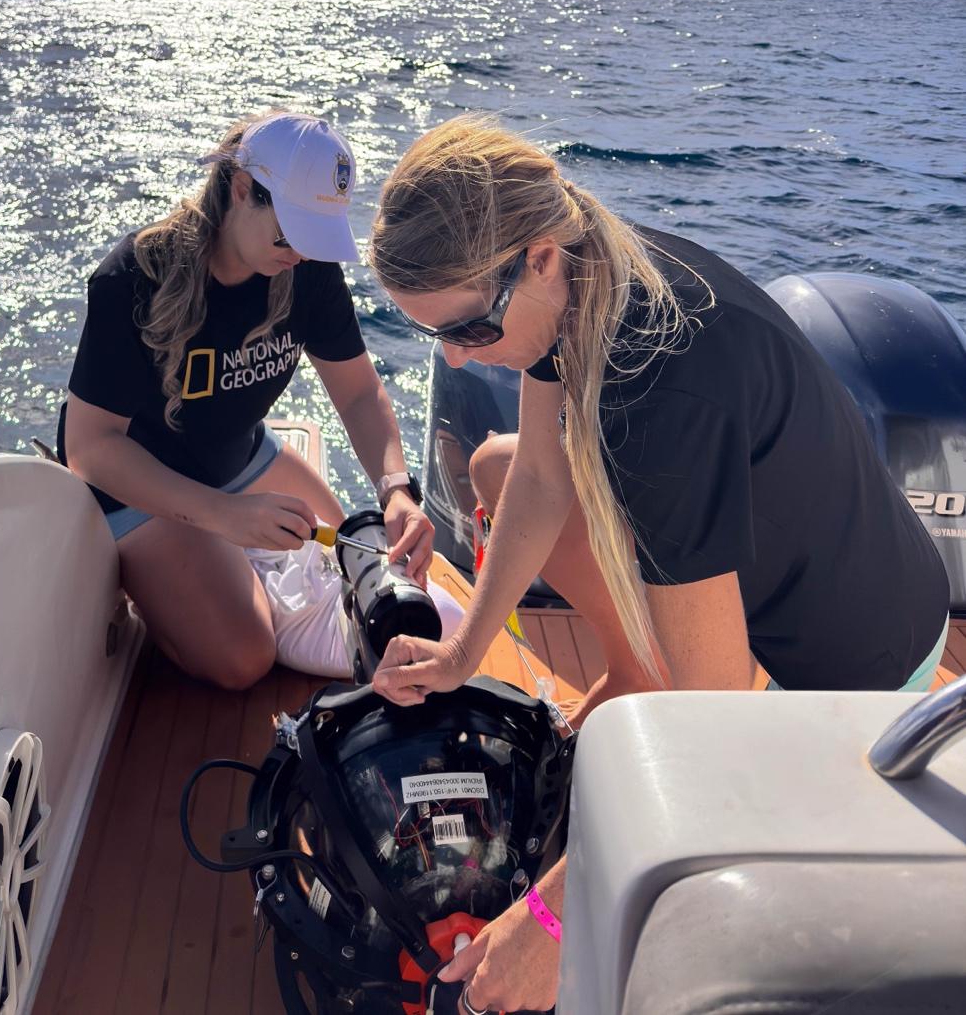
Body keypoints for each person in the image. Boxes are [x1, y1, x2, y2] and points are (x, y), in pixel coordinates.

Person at [366, 117, 950, 1013]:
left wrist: (550, 921)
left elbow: (709, 730)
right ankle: (630, 676)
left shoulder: (655, 393)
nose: (453, 355)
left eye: (469, 326)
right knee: (497, 463)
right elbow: (537, 475)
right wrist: (461, 651)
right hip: (815, 577)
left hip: (859, 674)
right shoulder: (586, 265)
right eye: (432, 333)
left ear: (538, 258)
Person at [58, 111, 434, 691]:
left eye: (314, 236)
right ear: (240, 189)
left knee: (361, 569)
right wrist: (221, 516)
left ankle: (233, 566)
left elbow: (360, 393)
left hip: (240, 456)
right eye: (290, 233)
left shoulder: (306, 271)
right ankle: (188, 578)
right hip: (138, 483)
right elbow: (89, 449)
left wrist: (396, 489)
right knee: (245, 660)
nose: (300, 253)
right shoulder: (133, 277)